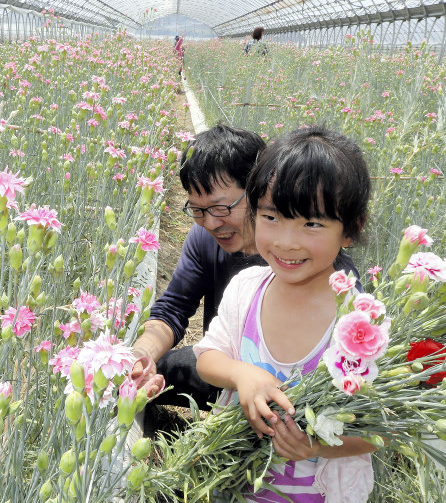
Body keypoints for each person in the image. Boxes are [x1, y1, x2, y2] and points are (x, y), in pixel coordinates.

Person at [194, 126, 377, 503]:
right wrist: (243, 374)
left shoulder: (359, 324)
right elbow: (207, 357)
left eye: (312, 223)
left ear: (350, 231)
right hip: (250, 486)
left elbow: (378, 433)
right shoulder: (248, 288)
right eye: (271, 216)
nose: (287, 241)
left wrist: (313, 446)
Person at [131, 124, 361, 409]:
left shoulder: (321, 266)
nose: (211, 223)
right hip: (224, 369)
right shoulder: (205, 239)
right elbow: (174, 309)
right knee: (160, 370)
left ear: (260, 191)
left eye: (221, 207)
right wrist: (138, 357)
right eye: (198, 210)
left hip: (293, 396)